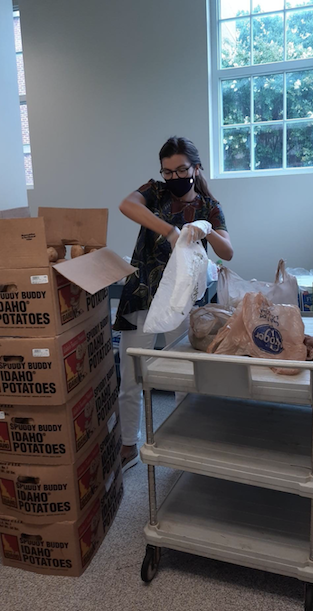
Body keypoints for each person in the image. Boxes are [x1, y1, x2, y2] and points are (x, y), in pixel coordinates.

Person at [114, 136, 233, 470]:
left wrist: (205, 228)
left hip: (182, 302)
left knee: (184, 376)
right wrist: (169, 231)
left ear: (196, 168)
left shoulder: (210, 207)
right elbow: (127, 205)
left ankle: (185, 440)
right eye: (168, 171)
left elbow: (227, 251)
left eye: (181, 169)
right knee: (132, 374)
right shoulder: (155, 191)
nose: (174, 177)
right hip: (142, 293)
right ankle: (128, 444)